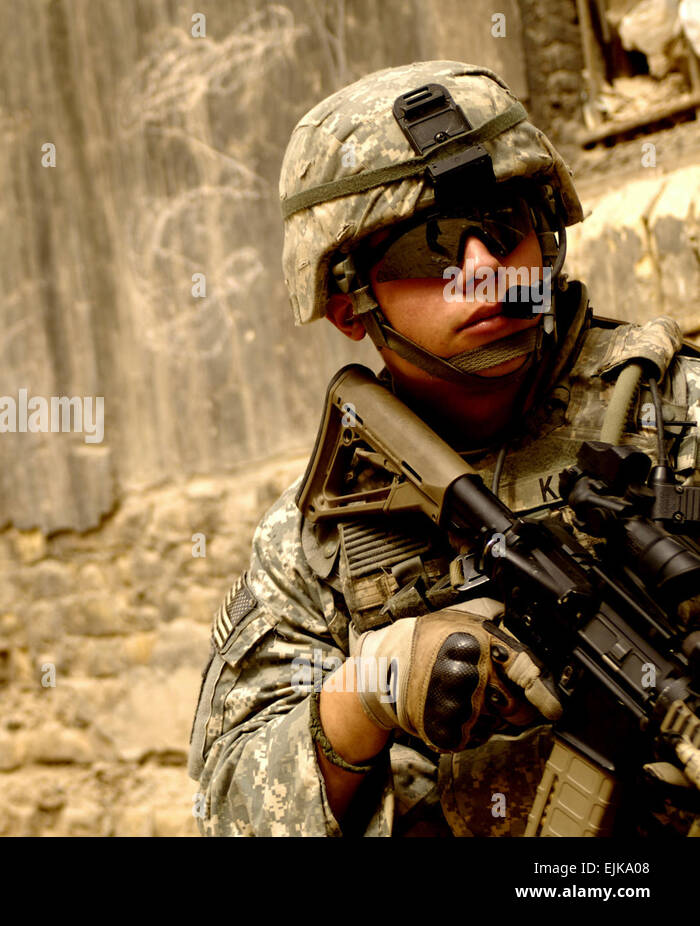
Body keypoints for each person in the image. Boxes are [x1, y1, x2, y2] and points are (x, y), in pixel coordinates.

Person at [188, 60, 700, 836]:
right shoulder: (323, 543)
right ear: (347, 301)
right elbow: (226, 811)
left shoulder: (678, 417)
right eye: (432, 248)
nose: (485, 270)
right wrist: (366, 696)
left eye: (503, 226)